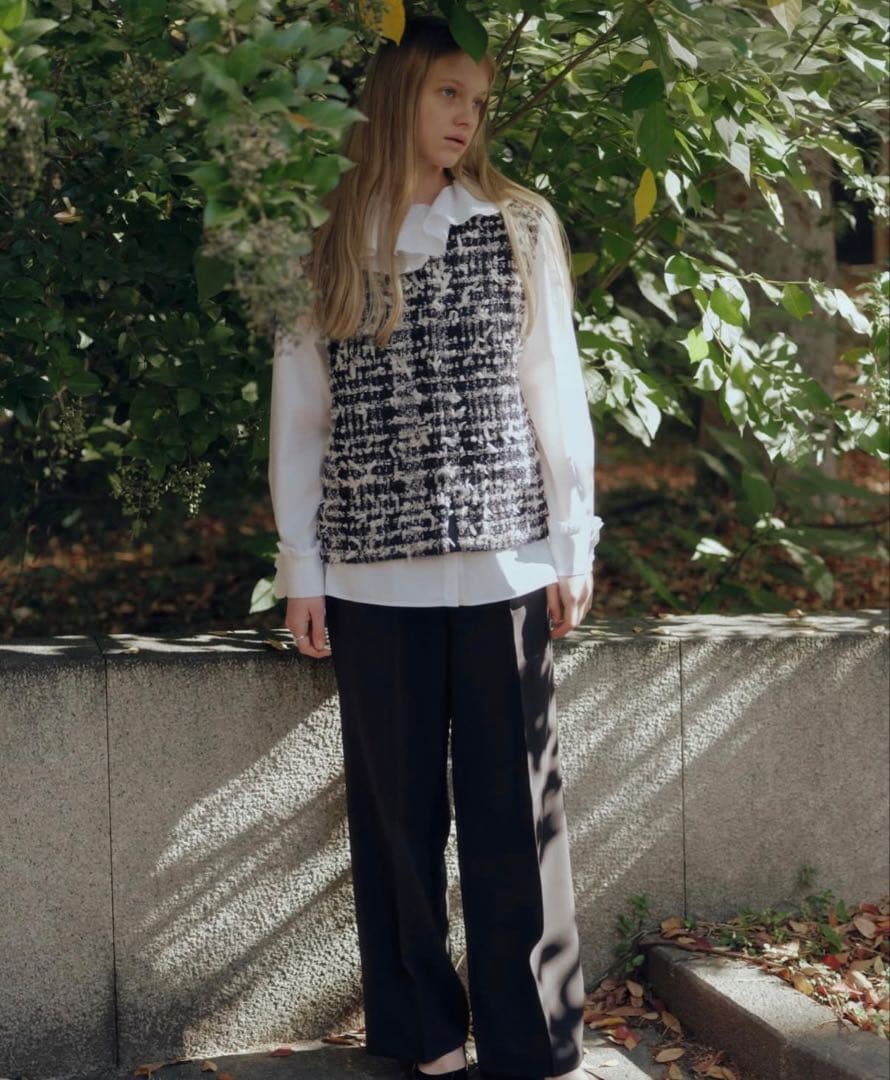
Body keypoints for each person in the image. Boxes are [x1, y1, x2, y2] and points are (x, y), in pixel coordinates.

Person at [267, 15, 603, 1080]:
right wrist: (301, 566)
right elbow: (301, 416)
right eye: (447, 93)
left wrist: (572, 538)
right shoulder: (322, 238)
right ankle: (420, 1034)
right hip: (371, 575)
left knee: (516, 808)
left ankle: (530, 1036)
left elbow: (554, 385)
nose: (466, 117)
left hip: (506, 562)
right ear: (396, 93)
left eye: (478, 101)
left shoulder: (518, 226)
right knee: (396, 822)